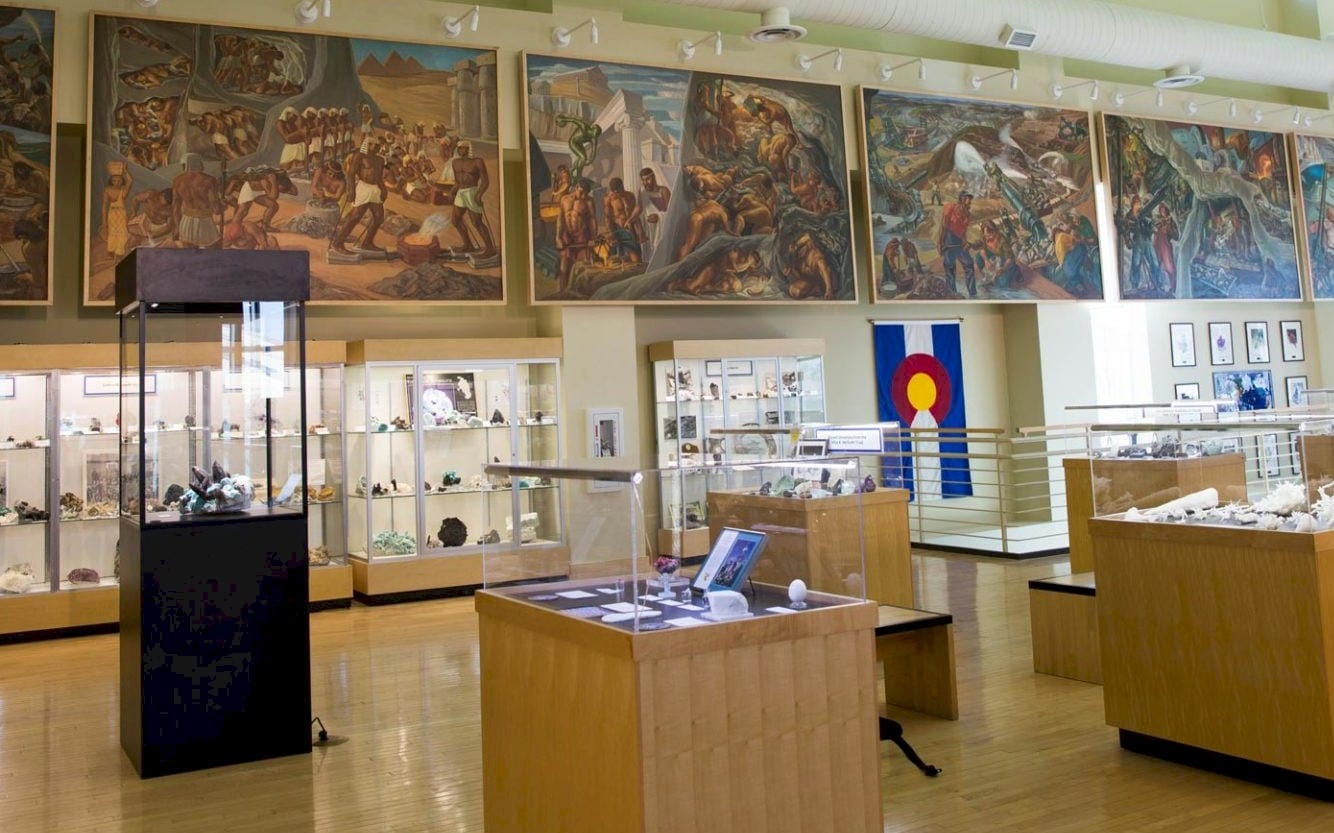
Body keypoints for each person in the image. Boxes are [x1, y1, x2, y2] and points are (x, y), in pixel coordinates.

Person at [330, 137, 388, 257]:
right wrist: (351, 190)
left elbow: (379, 177)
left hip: (375, 189)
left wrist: (383, 190)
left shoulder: (380, 160)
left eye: (378, 145)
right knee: (355, 216)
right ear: (368, 145)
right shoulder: (360, 156)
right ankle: (337, 243)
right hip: (363, 188)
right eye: (374, 145)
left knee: (378, 217)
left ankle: (367, 243)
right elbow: (351, 173)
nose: (377, 147)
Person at [449, 140, 496, 259]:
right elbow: (457, 182)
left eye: (463, 148)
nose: (461, 150)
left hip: (472, 192)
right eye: (459, 148)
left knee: (477, 222)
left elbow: (485, 181)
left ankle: (490, 249)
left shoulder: (477, 161)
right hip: (460, 192)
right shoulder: (455, 162)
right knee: (455, 220)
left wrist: (479, 194)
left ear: (468, 149)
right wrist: (452, 191)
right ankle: (468, 245)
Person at [172, 154, 223, 247]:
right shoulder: (209, 180)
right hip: (204, 222)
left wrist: (176, 226)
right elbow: (216, 209)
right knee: (215, 249)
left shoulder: (177, 180)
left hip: (185, 222)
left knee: (189, 252)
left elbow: (175, 207)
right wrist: (223, 204)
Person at [555, 178, 597, 291]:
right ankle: (562, 294)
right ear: (576, 187)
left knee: (583, 267)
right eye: (581, 192)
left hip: (582, 236)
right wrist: (558, 237)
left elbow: (592, 220)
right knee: (564, 268)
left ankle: (583, 294)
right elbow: (560, 219)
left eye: (586, 193)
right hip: (567, 236)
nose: (583, 195)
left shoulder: (589, 202)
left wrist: (593, 238)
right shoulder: (564, 199)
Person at [936, 191, 976, 296]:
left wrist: (965, 243)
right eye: (968, 199)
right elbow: (943, 226)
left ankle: (973, 293)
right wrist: (939, 243)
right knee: (950, 268)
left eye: (970, 199)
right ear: (962, 199)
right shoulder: (950, 208)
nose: (970, 202)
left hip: (959, 243)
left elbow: (963, 232)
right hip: (948, 241)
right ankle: (951, 294)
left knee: (969, 264)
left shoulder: (967, 215)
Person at [603, 177, 642, 264]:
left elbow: (635, 215)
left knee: (636, 256)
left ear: (622, 186)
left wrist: (640, 231)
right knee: (629, 258)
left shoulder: (630, 196)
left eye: (618, 190)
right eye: (615, 191)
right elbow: (608, 218)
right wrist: (611, 234)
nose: (617, 193)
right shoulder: (609, 199)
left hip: (631, 229)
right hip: (619, 229)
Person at [634, 167, 670, 261]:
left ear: (653, 177)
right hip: (649, 227)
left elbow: (671, 211)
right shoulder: (642, 191)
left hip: (662, 226)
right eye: (643, 180)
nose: (645, 182)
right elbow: (639, 207)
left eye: (648, 179)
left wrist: (659, 217)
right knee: (649, 255)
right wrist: (629, 220)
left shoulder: (663, 190)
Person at [101, 167, 132, 258]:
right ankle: (111, 250)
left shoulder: (123, 190)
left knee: (123, 233)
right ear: (111, 181)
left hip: (122, 214)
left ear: (122, 181)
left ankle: (119, 252)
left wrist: (125, 171)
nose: (117, 182)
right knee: (112, 232)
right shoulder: (107, 190)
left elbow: (130, 180)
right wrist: (104, 221)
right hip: (112, 214)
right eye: (114, 180)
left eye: (119, 180)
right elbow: (104, 205)